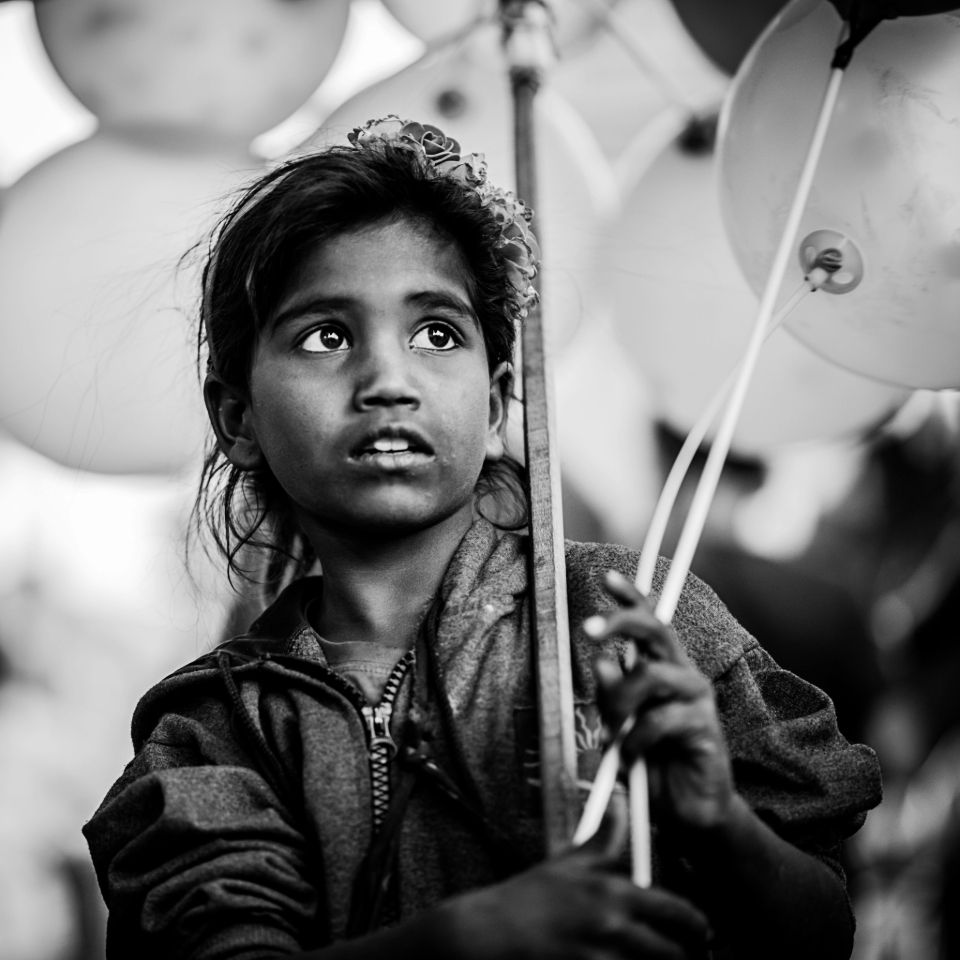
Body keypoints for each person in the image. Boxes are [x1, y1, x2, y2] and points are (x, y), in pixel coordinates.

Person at [83, 118, 882, 960]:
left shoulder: (626, 615)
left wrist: (717, 819)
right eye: (327, 335)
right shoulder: (212, 729)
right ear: (237, 417)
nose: (388, 381)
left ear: (498, 402)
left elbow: (822, 929)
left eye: (437, 334)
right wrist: (469, 941)